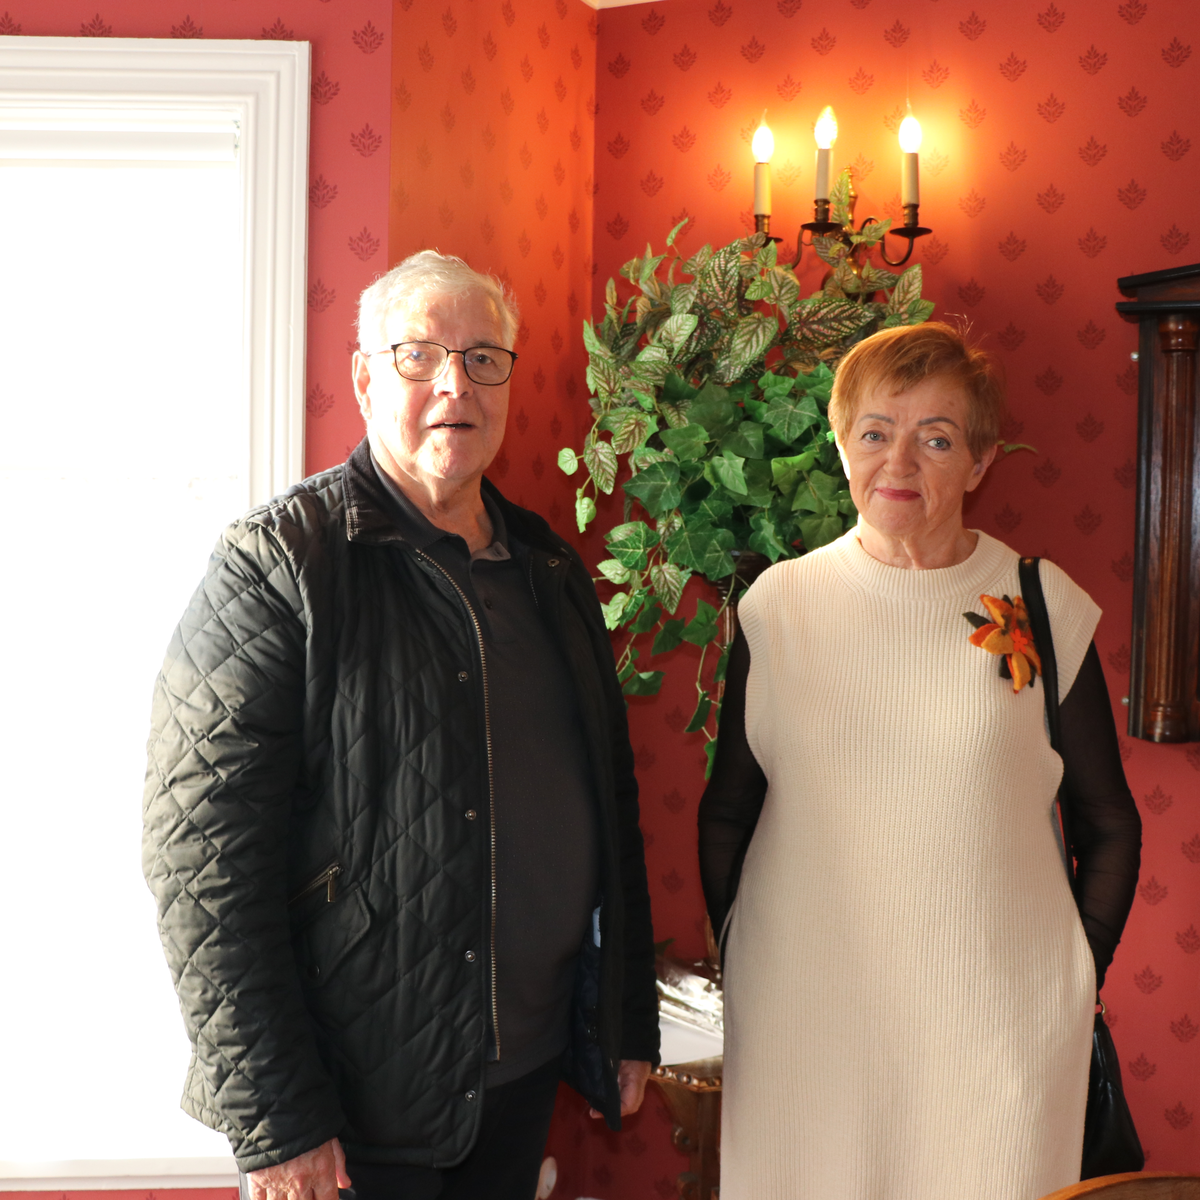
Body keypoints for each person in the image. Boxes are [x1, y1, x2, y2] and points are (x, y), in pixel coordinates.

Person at [143, 250, 659, 1200]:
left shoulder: (550, 570)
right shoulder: (278, 565)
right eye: (418, 355)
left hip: (520, 1078)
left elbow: (610, 807)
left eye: (483, 358)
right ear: (364, 378)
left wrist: (624, 1020)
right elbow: (200, 864)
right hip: (352, 1109)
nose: (455, 385)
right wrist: (278, 1116)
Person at [697, 322, 1141, 1200]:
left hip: (998, 1043)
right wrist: (748, 955)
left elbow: (1109, 822)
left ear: (979, 462)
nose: (898, 461)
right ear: (840, 445)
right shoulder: (777, 607)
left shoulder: (1040, 604)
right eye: (875, 432)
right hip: (805, 1033)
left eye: (936, 439)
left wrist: (1070, 978)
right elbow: (727, 812)